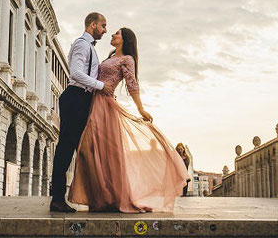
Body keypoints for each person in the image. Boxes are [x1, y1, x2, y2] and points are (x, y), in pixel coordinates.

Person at [68, 27, 190, 212]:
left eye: (116, 33)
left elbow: (132, 84)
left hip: (105, 107)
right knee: (93, 151)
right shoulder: (110, 56)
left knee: (91, 150)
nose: (112, 35)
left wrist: (140, 108)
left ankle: (109, 197)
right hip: (95, 104)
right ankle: (102, 196)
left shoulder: (127, 59)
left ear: (124, 39)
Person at [49, 12, 113, 212]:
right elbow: (75, 73)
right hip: (76, 97)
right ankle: (57, 199)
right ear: (92, 25)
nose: (105, 30)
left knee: (83, 149)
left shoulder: (89, 47)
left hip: (83, 99)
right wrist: (101, 86)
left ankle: (94, 197)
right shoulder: (82, 45)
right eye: (103, 25)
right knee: (66, 148)